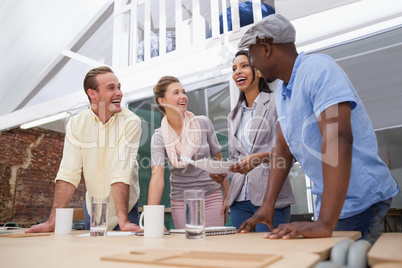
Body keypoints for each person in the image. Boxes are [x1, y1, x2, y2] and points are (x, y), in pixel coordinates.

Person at [234, 14, 399, 243]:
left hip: (360, 198)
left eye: (252, 57)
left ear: (266, 48)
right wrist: (268, 205)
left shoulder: (319, 69)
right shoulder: (282, 91)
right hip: (335, 203)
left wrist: (324, 223)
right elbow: (283, 147)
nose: (254, 65)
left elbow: (338, 138)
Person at [26, 66, 142, 233]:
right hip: (94, 207)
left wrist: (123, 221)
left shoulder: (131, 121)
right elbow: (68, 172)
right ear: (92, 94)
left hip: (125, 207)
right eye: (111, 88)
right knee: (91, 254)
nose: (119, 93)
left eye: (119, 87)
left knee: (122, 255)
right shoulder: (76, 123)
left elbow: (120, 170)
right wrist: (52, 221)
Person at [211, 50, 294, 231]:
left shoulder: (276, 102)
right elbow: (235, 158)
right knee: (244, 256)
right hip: (239, 200)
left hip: (270, 198)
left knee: (272, 253)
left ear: (258, 71)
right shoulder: (232, 116)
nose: (237, 72)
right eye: (234, 69)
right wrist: (224, 172)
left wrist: (261, 157)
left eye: (244, 66)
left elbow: (291, 150)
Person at [148, 75, 229, 229]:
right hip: (181, 201)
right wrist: (152, 218)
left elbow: (219, 162)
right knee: (186, 248)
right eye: (176, 93)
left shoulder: (203, 123)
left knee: (214, 248)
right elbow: (157, 177)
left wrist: (227, 196)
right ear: (162, 101)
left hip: (211, 197)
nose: (183, 96)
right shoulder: (159, 137)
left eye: (183, 92)